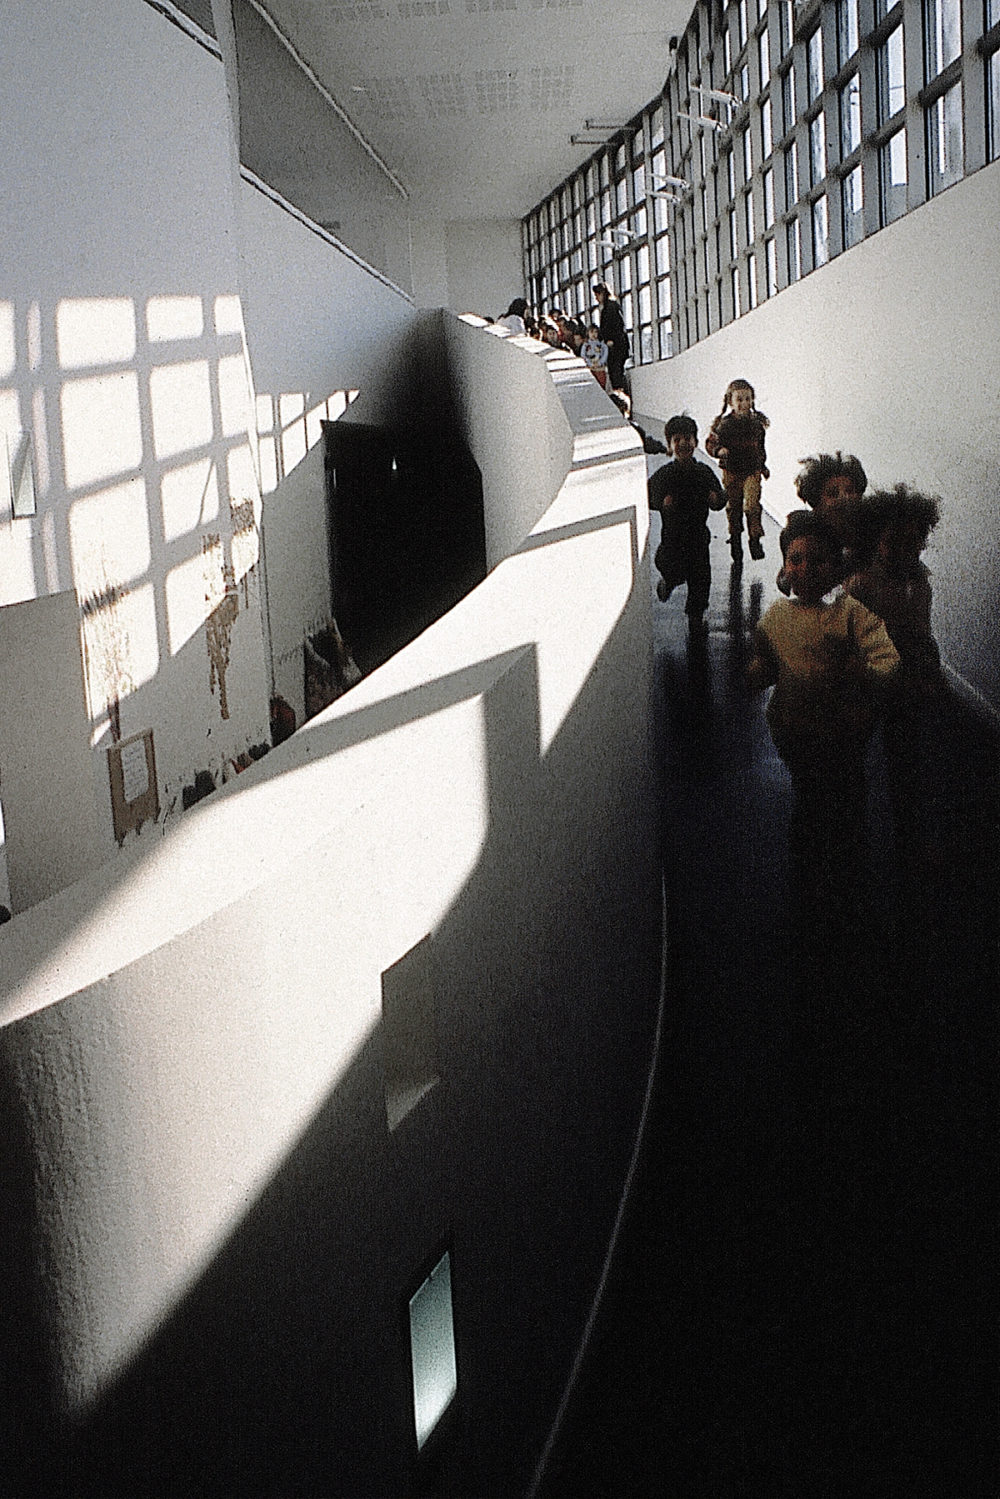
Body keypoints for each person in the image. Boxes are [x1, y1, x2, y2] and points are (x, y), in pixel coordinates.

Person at [748, 510, 899, 919]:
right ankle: (811, 858)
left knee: (846, 791)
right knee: (810, 794)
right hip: (795, 729)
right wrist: (753, 673)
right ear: (784, 568)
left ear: (837, 567)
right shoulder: (777, 617)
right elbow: (765, 660)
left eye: (818, 560)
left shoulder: (850, 613)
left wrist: (865, 672)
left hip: (845, 727)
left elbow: (885, 656)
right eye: (796, 559)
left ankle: (850, 861)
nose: (806, 568)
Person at [843, 485, 944, 885]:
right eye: (893, 542)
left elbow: (923, 632)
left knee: (907, 765)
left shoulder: (919, 580)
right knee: (852, 766)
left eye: (914, 542)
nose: (905, 550)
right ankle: (849, 844)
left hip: (907, 686)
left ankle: (910, 841)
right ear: (875, 540)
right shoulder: (861, 584)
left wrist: (928, 669)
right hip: (867, 685)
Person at [648, 414, 726, 629]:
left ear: (696, 441)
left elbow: (720, 497)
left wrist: (716, 499)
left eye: (688, 438)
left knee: (701, 577)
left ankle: (696, 613)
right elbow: (647, 495)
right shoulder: (665, 474)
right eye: (677, 440)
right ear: (670, 445)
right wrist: (661, 503)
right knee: (670, 566)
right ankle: (670, 581)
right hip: (672, 538)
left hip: (698, 537)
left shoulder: (702, 472)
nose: (683, 443)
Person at [777, 450, 867, 593]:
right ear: (816, 504)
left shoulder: (868, 531)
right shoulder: (803, 532)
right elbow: (785, 581)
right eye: (833, 494)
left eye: (850, 490)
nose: (844, 498)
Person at [705, 378, 770, 565]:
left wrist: (763, 466)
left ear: (752, 401)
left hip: (752, 471)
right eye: (739, 400)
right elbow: (710, 443)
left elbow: (760, 448)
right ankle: (735, 539)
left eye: (747, 399)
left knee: (751, 505)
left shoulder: (756, 425)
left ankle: (755, 538)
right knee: (734, 508)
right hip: (732, 472)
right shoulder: (724, 425)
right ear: (730, 402)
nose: (744, 404)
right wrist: (719, 451)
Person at [592, 281, 630, 391]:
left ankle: (620, 394)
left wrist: (610, 340)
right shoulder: (611, 306)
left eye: (597, 295)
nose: (596, 298)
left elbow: (615, 326)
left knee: (616, 374)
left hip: (616, 346)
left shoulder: (610, 307)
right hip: (617, 346)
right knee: (615, 373)